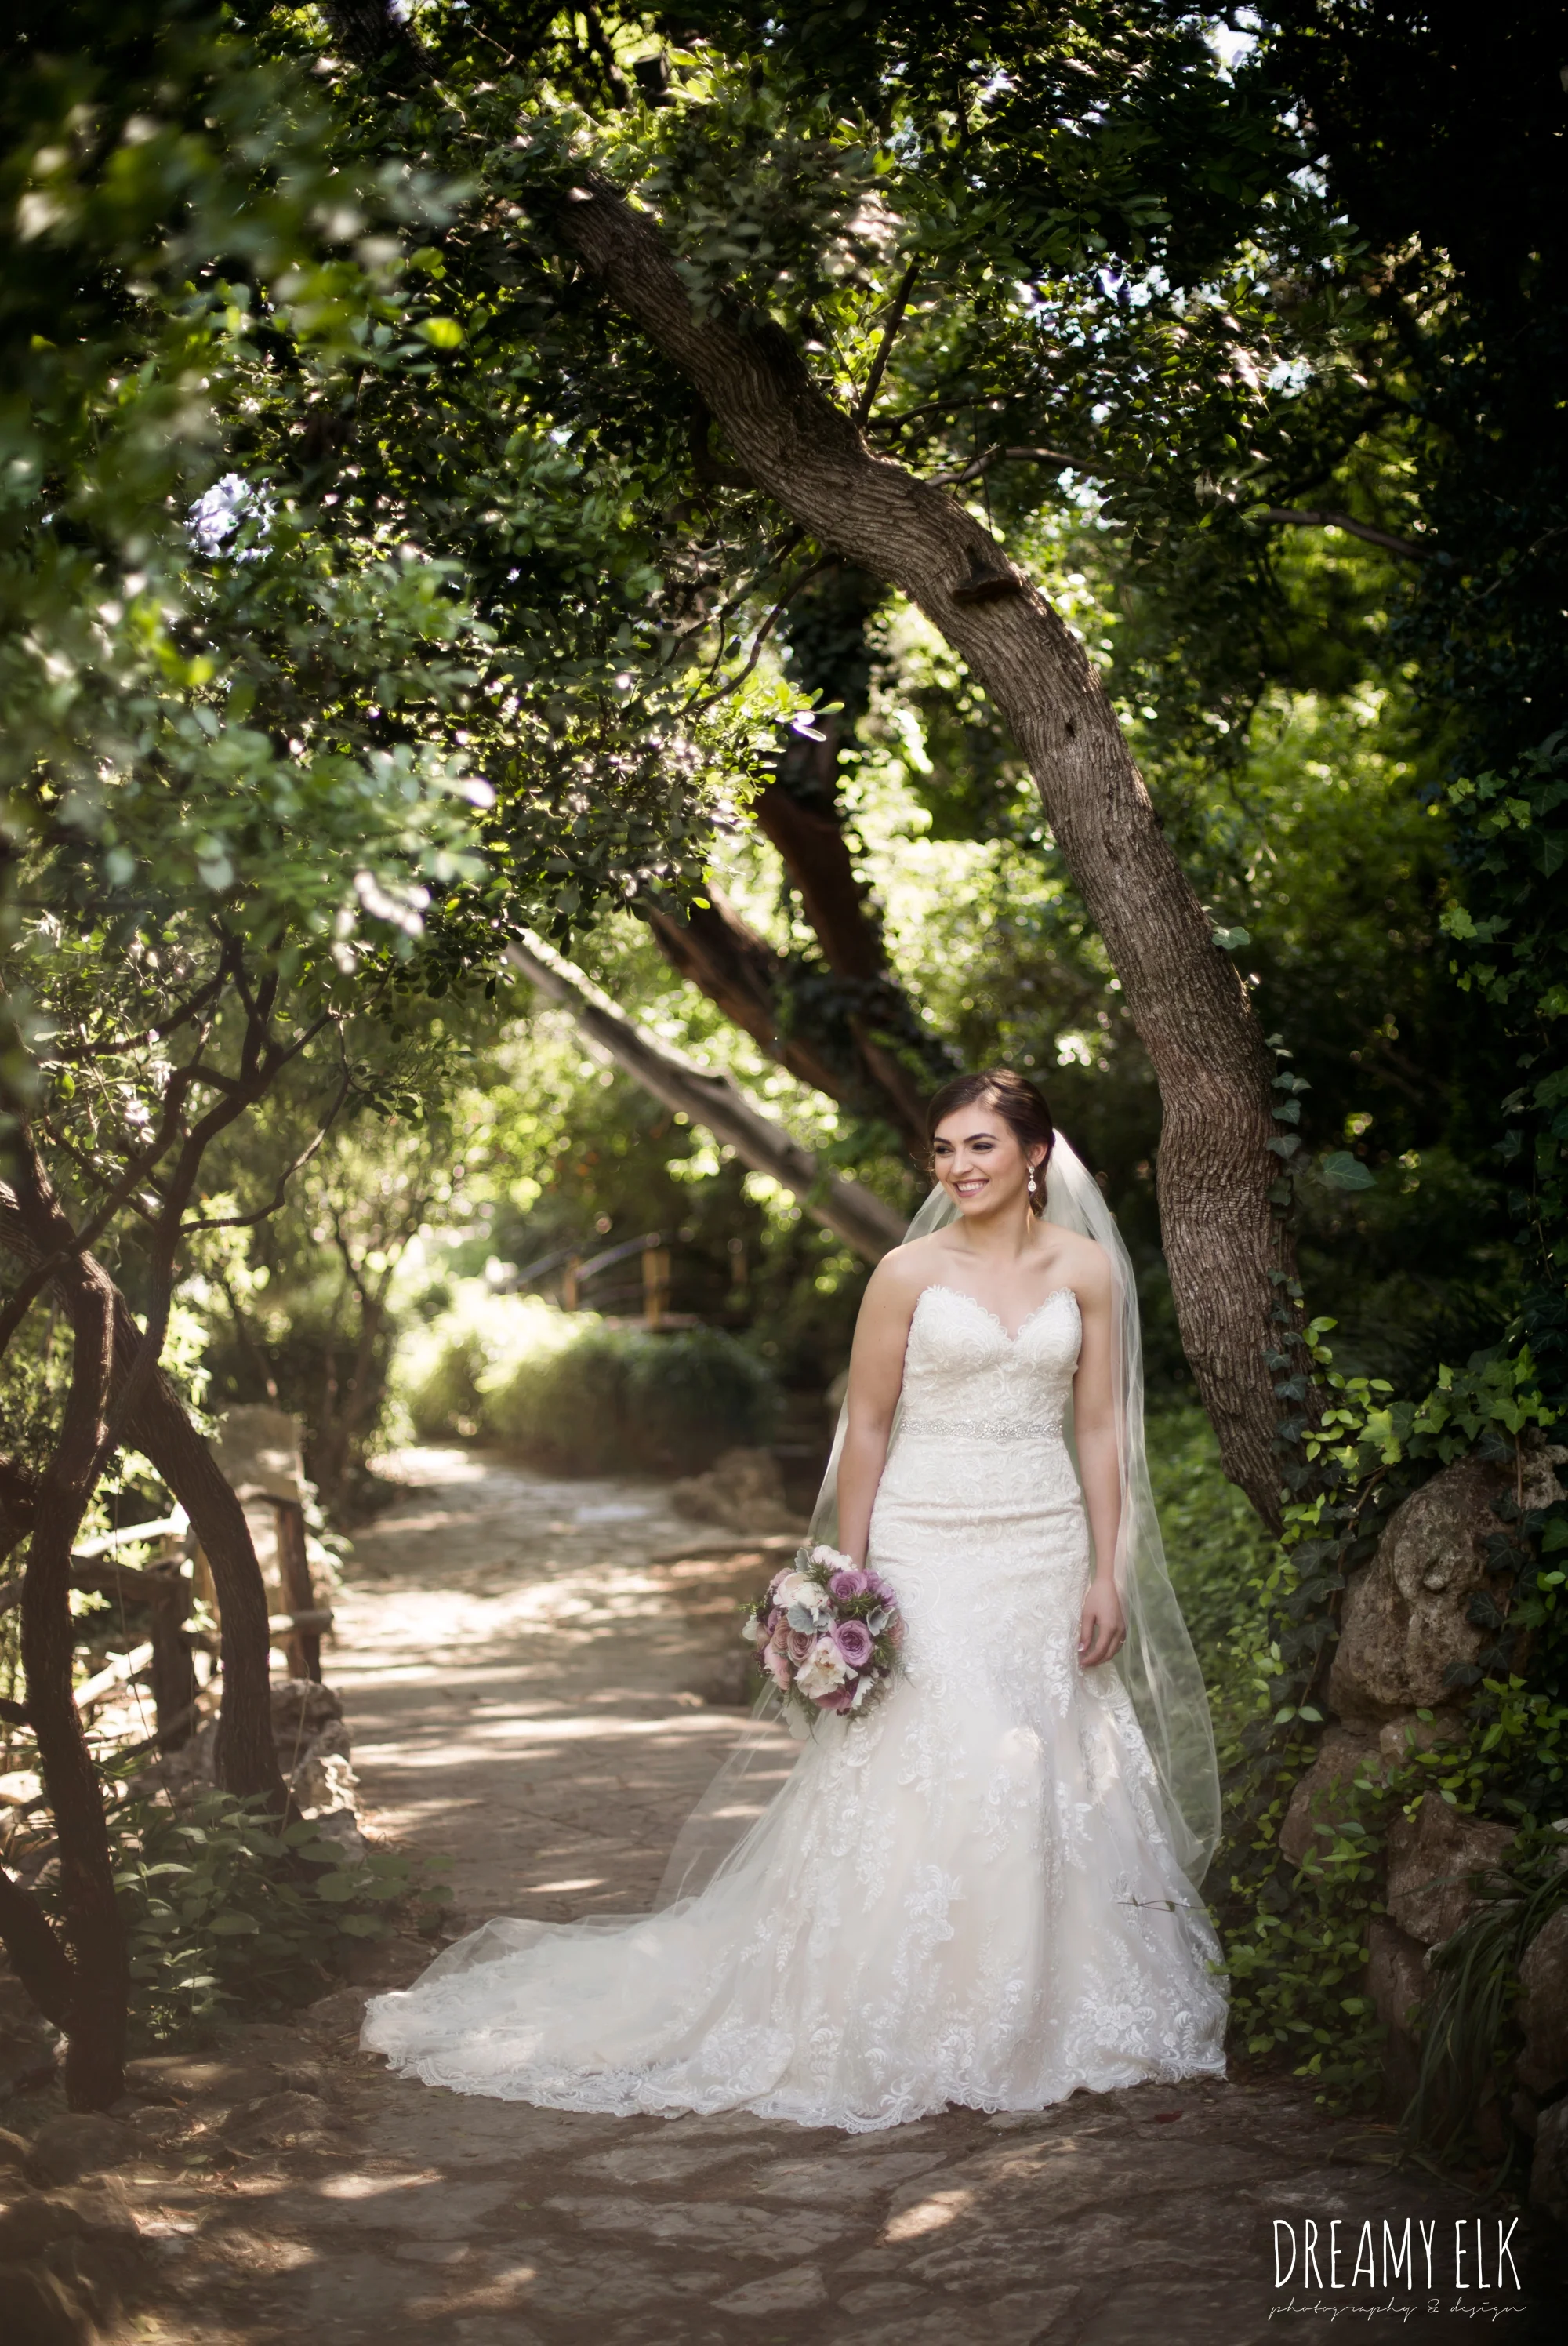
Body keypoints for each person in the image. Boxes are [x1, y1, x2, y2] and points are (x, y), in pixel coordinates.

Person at [361, 1069, 1228, 2131]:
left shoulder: (1086, 1270)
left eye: (980, 1148)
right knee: (939, 1750)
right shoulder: (908, 1272)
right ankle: (897, 2010)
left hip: (1041, 1543)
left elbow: (1098, 1429)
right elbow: (864, 1428)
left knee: (1037, 1750)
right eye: (944, 1150)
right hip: (924, 1543)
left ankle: (1045, 2013)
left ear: (1035, 1155)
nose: (957, 1167)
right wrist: (849, 1584)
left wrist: (1106, 1568)